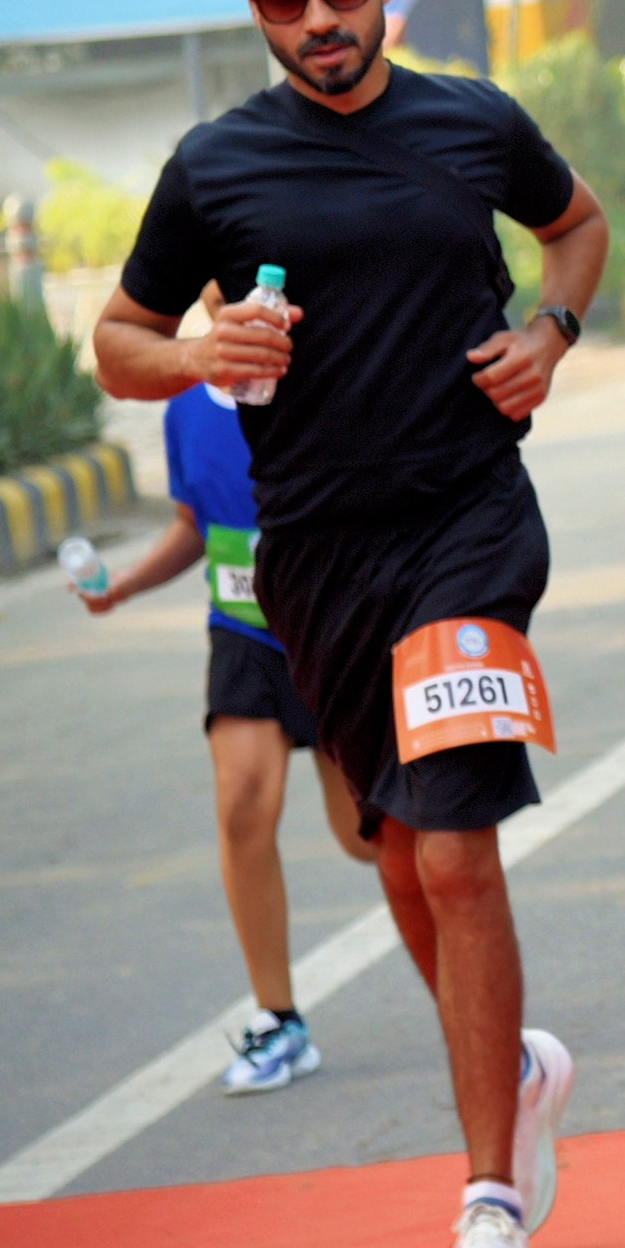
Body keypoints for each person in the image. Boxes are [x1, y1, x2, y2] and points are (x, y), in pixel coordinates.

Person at [96, 0, 607, 1248]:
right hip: (315, 558)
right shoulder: (215, 167)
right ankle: (512, 1069)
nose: (317, 18)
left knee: (453, 850)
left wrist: (551, 333)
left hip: (469, 522)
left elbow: (577, 228)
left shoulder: (471, 122)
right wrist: (198, 355)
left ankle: (490, 1207)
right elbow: (120, 339)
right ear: (252, 5)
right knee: (392, 852)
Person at [74, 348, 380, 1093]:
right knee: (242, 800)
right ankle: (278, 1019)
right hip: (245, 633)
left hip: (335, 627)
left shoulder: (329, 371)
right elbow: (195, 524)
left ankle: (467, 942)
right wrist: (125, 586)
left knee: (368, 836)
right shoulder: (186, 405)